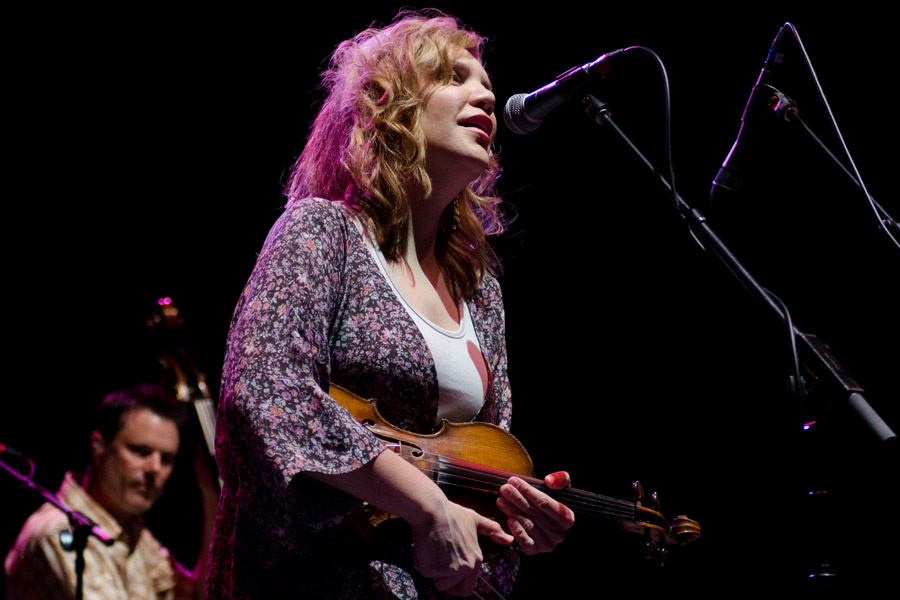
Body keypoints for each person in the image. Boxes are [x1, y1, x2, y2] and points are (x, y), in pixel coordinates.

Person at [207, 10, 575, 599]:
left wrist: (507, 528)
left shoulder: (480, 291)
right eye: (454, 76)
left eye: (485, 81)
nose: (485, 92)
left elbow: (474, 494)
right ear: (388, 103)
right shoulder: (323, 233)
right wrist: (426, 503)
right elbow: (263, 394)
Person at [4, 384, 218, 600]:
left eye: (166, 459)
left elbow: (203, 595)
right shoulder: (57, 531)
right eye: (141, 451)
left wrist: (210, 489)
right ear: (99, 448)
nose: (155, 468)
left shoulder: (134, 534)